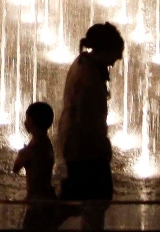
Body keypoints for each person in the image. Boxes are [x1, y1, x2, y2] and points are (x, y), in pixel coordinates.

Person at [59, 22, 124, 231]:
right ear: (105, 50)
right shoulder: (87, 75)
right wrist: (101, 145)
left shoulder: (86, 66)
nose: (116, 61)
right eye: (116, 54)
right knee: (93, 198)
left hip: (80, 147)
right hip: (84, 150)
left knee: (83, 200)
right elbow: (86, 118)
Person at [13, 101, 60, 232]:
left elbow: (15, 168)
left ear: (32, 121)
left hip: (37, 203)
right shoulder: (45, 142)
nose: (24, 122)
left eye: (27, 118)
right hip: (48, 198)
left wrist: (21, 154)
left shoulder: (31, 149)